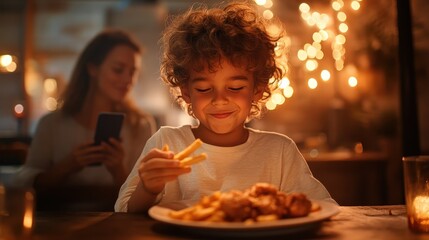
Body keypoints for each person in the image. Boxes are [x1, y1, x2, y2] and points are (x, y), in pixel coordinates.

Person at [115, 1, 335, 213]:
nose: (219, 100)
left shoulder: (279, 151)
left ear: (257, 89)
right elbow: (123, 209)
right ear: (186, 91)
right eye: (203, 89)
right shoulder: (167, 143)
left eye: (236, 87)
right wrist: (148, 188)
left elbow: (321, 207)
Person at [15, 29, 156, 211]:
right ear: (92, 68)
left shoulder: (141, 125)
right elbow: (27, 182)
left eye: (133, 72)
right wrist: (68, 165)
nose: (127, 79)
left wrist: (118, 169)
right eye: (118, 70)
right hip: (58, 223)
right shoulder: (52, 124)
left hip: (117, 226)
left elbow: (145, 195)